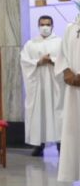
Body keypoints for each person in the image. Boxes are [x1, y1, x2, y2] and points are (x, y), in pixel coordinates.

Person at [20, 15, 63, 156]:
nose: (45, 27)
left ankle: (60, 144)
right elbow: (24, 61)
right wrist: (38, 61)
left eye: (48, 24)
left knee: (57, 112)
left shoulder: (60, 43)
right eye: (42, 24)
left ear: (52, 26)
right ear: (38, 26)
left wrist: (52, 60)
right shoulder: (31, 44)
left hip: (55, 85)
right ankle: (39, 145)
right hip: (38, 85)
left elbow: (66, 60)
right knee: (39, 113)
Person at [55, 0, 80, 186]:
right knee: (75, 134)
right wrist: (67, 72)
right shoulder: (71, 28)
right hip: (74, 92)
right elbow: (62, 56)